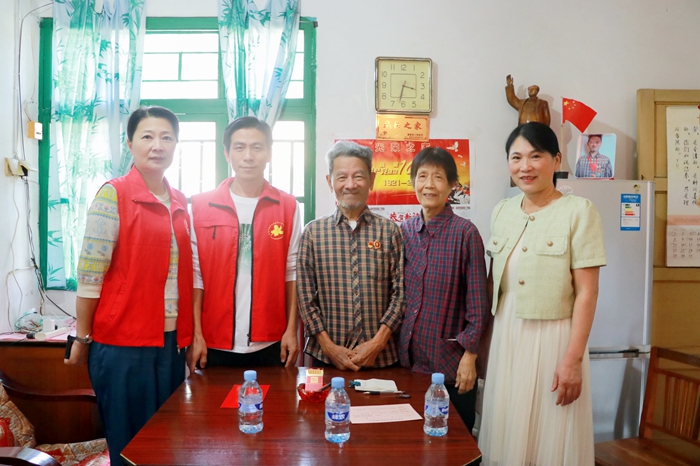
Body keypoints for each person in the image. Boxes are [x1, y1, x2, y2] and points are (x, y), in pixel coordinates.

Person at [65, 106, 193, 465]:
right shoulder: (113, 195)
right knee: (130, 444)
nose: (157, 145)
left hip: (170, 342)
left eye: (166, 137)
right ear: (130, 143)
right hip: (122, 342)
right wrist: (83, 338)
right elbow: (90, 275)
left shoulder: (180, 201)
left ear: (176, 144)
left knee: (166, 441)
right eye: (147, 136)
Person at [478, 122, 606, 465]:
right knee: (509, 431)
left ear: (556, 160)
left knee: (550, 436)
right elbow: (495, 287)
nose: (525, 166)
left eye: (536, 156)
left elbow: (588, 293)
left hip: (554, 341)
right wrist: (485, 345)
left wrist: (572, 360)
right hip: (507, 336)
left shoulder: (579, 211)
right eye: (516, 157)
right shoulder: (502, 211)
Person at [187, 116, 301, 370]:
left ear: (269, 153)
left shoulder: (287, 206)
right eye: (239, 147)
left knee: (274, 397)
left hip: (271, 340)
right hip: (214, 340)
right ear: (227, 154)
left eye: (257, 147)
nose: (248, 156)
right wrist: (196, 334)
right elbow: (195, 275)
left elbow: (292, 272)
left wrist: (291, 330)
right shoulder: (201, 206)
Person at [397, 147, 490, 432]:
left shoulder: (465, 233)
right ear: (413, 182)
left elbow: (478, 304)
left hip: (450, 367)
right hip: (407, 363)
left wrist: (470, 356)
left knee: (453, 444)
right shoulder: (405, 231)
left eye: (438, 177)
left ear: (451, 185)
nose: (429, 184)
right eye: (422, 176)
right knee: (409, 440)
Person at [297, 141, 404, 370]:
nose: (350, 185)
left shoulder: (390, 231)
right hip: (326, 358)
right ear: (330, 182)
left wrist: (376, 344)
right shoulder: (313, 233)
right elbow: (305, 297)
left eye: (358, 176)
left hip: (381, 358)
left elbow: (400, 294)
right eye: (342, 177)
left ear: (371, 179)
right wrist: (329, 347)